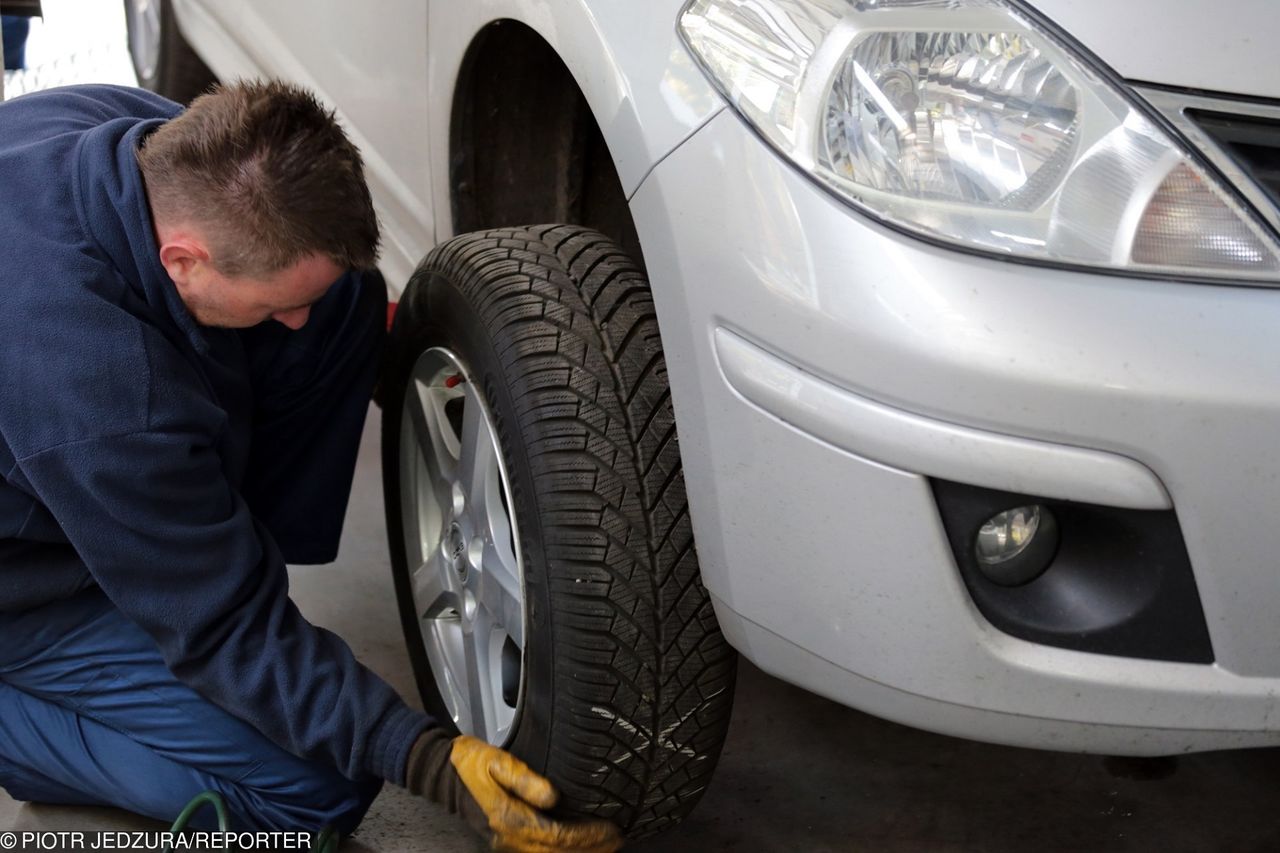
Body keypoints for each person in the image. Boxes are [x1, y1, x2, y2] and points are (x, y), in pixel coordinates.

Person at [0, 80, 622, 852]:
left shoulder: (129, 137)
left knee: (343, 300)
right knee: (316, 786)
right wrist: (423, 757)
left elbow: (315, 307)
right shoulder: (102, 388)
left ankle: (200, 559)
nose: (292, 323)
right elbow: (222, 626)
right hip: (23, 600)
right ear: (183, 260)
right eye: (271, 305)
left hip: (59, 460)